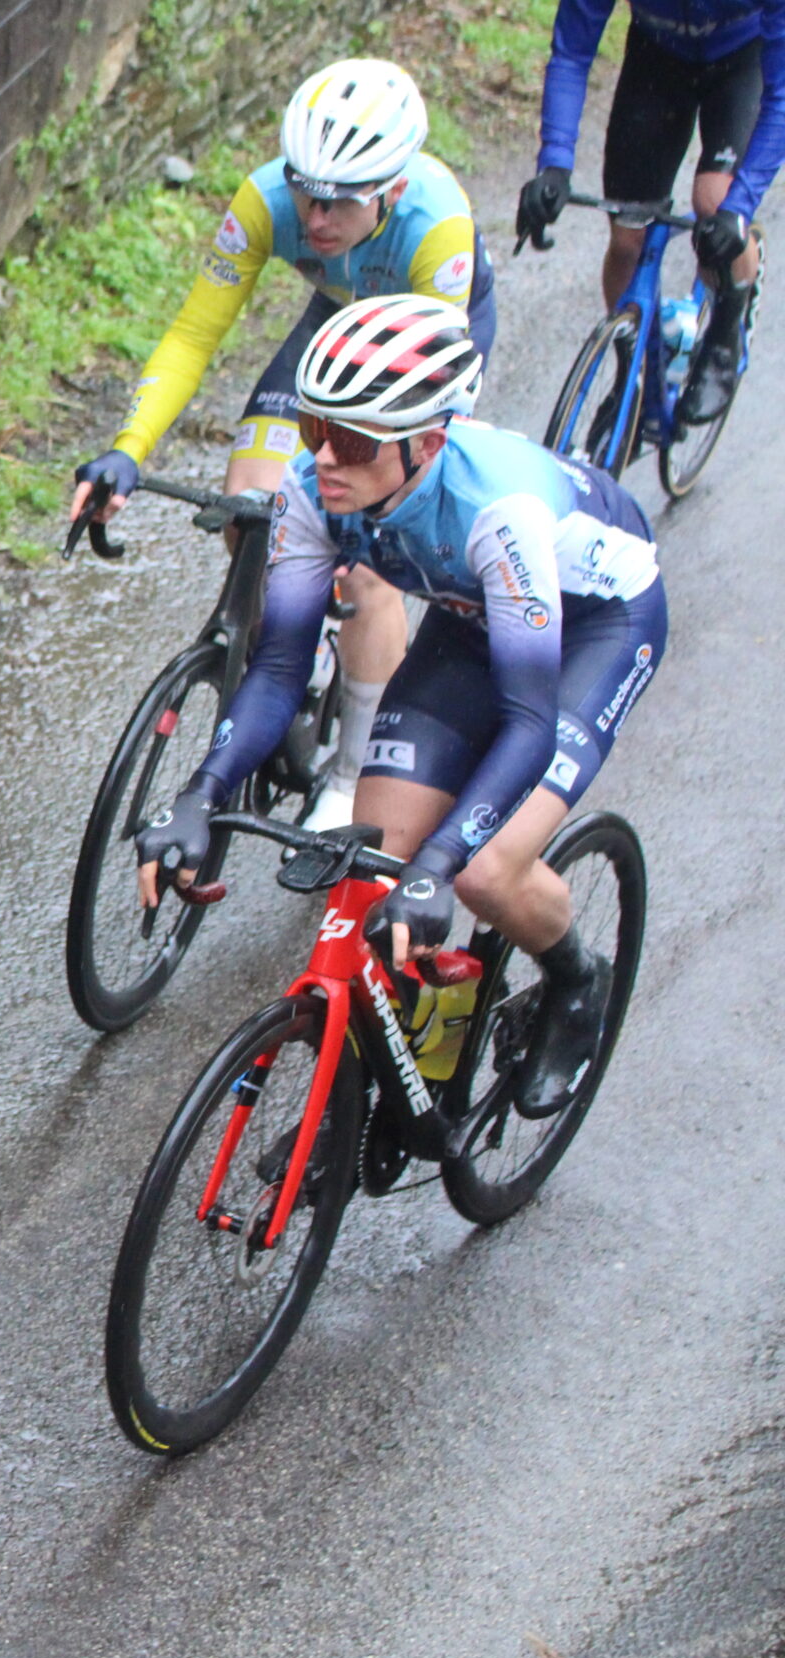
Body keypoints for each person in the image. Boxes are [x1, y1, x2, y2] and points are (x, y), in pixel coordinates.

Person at [134, 296, 666, 1124]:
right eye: (315, 428)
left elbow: (529, 724)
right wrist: (201, 793)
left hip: (595, 629)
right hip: (470, 616)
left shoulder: (501, 512)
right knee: (376, 859)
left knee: (483, 870)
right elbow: (279, 668)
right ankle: (415, 1071)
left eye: (351, 441)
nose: (324, 457)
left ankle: (575, 977)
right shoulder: (312, 488)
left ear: (429, 442)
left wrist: (442, 863)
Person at [71, 59, 496, 832]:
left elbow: (430, 406)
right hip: (330, 329)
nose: (316, 217)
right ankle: (304, 655)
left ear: (393, 190)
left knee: (367, 564)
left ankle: (353, 772)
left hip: (415, 351)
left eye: (341, 201)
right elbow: (194, 335)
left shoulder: (438, 226)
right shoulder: (265, 199)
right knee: (252, 514)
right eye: (306, 192)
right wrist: (129, 449)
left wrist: (364, 512)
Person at [518, 0, 782, 423]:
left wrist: (739, 207)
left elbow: (780, 96)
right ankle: (632, 378)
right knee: (628, 236)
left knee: (714, 202)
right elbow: (571, 53)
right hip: (657, 57)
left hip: (744, 59)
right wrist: (554, 165)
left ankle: (726, 328)